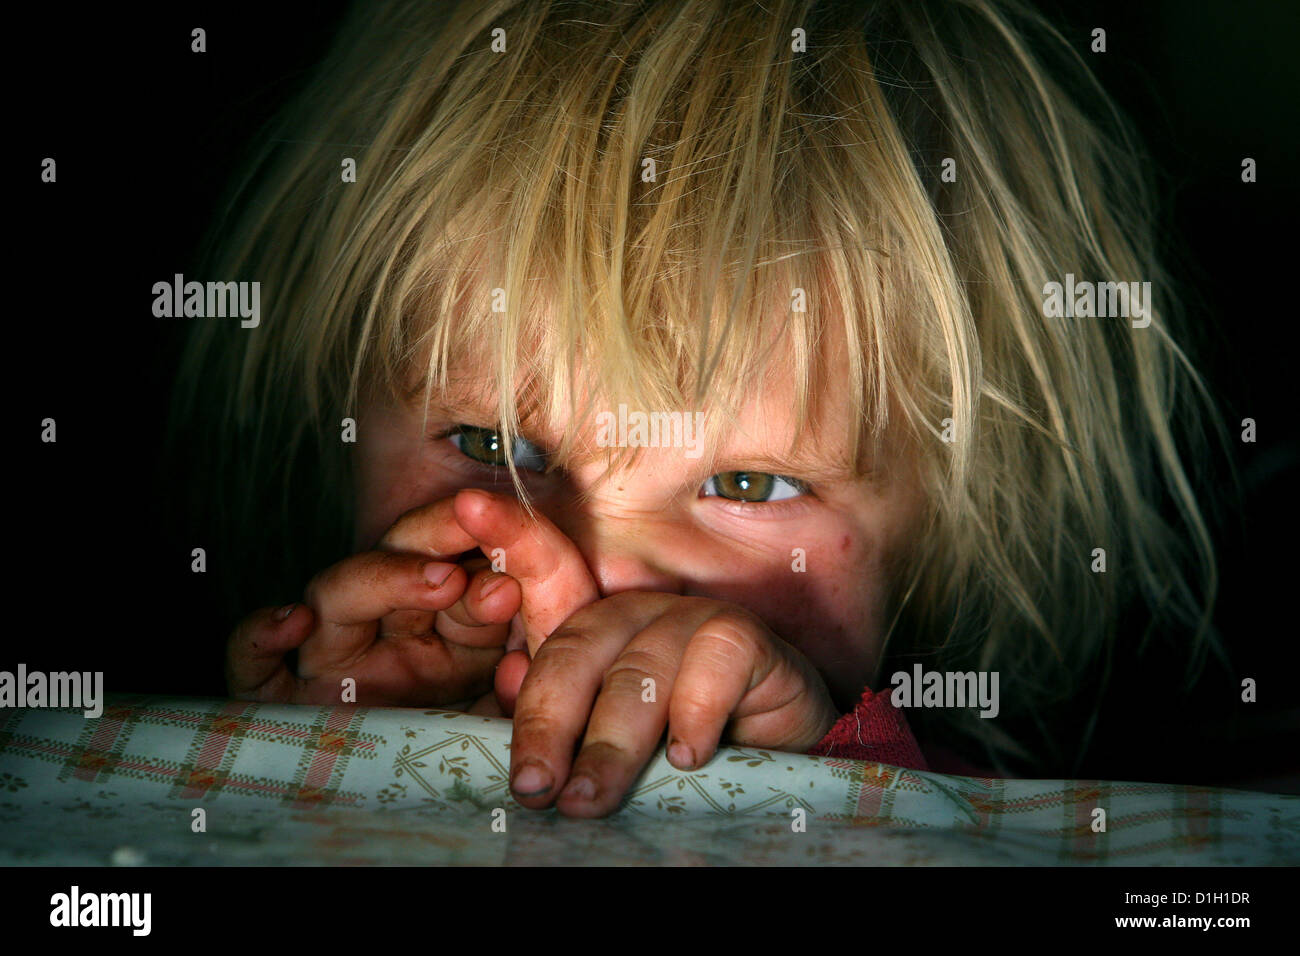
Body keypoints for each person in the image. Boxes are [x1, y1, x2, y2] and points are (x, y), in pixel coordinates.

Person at [173, 0, 1220, 817]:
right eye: (496, 442)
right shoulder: (325, 684)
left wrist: (811, 782)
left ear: (943, 543)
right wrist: (326, 759)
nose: (586, 584)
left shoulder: (979, 814)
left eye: (746, 484)